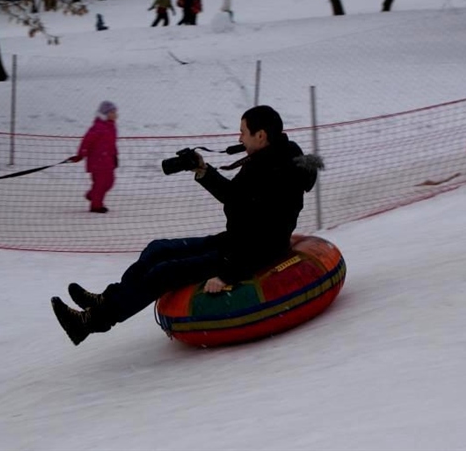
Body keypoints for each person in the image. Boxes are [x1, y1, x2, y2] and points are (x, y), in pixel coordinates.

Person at [51, 105, 324, 345]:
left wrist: (227, 275)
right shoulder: (267, 159)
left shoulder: (279, 175)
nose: (239, 138)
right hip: (237, 239)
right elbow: (236, 197)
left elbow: (269, 237)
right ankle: (107, 300)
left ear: (261, 136)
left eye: (243, 132)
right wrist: (203, 171)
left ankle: (90, 323)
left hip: (248, 251)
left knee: (163, 273)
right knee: (157, 249)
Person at [69, 101, 119, 213]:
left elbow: (112, 144)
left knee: (110, 182)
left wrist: (115, 156)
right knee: (100, 184)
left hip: (108, 161)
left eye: (115, 112)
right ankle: (96, 206)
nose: (116, 114)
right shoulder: (97, 127)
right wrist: (81, 154)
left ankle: (92, 194)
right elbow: (86, 142)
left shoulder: (112, 127)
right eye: (113, 112)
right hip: (97, 161)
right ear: (106, 113)